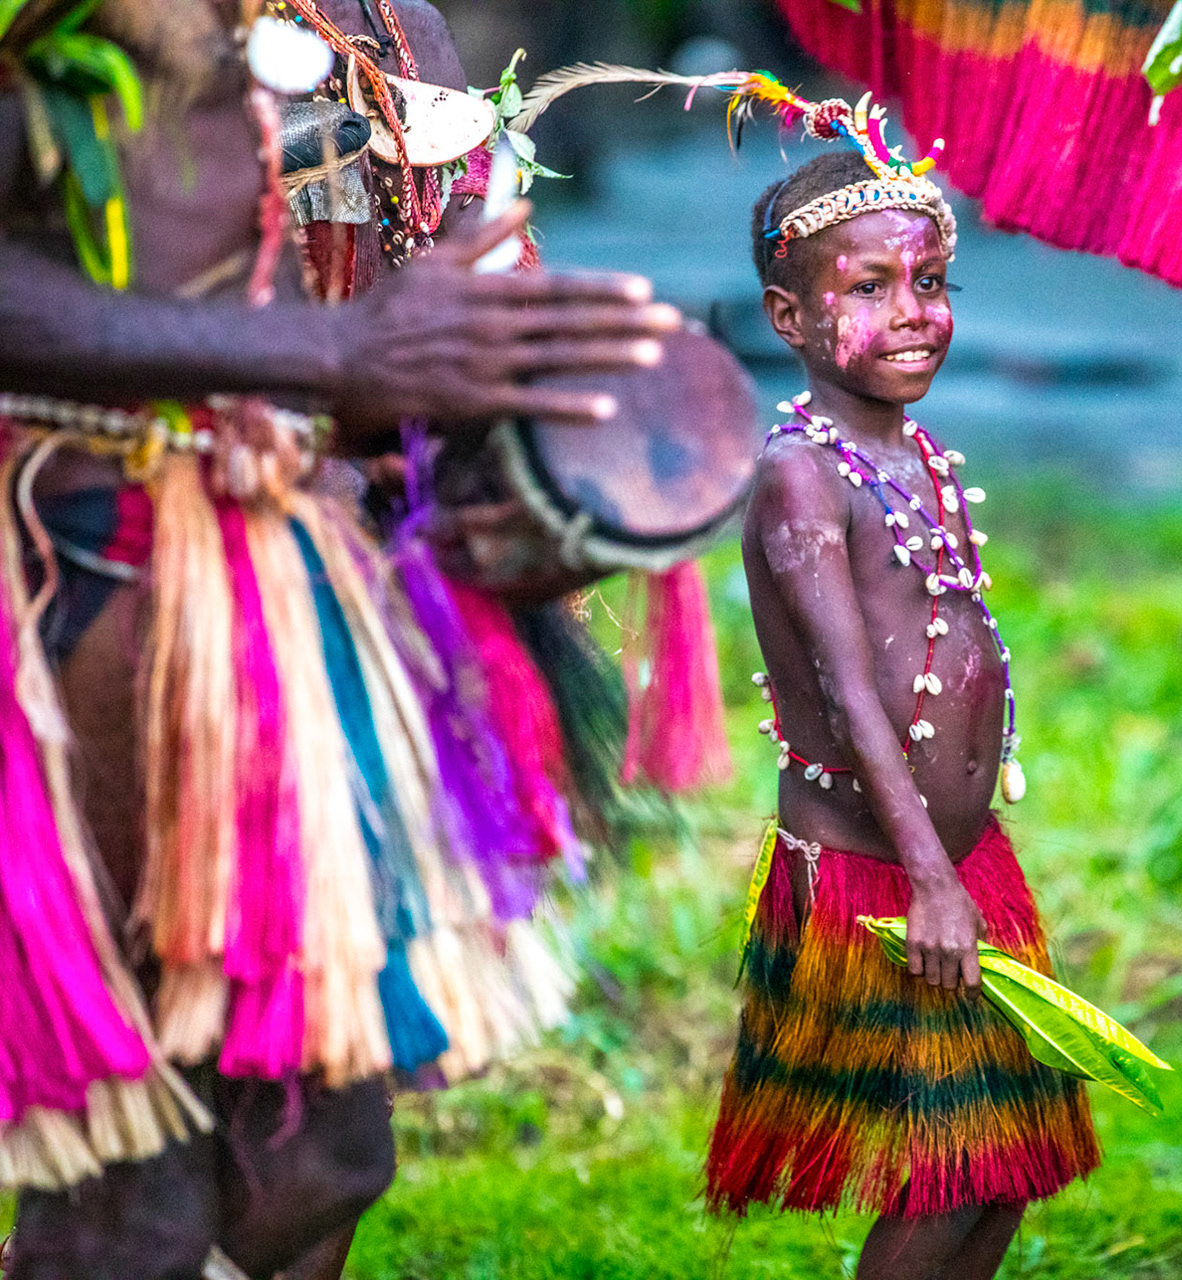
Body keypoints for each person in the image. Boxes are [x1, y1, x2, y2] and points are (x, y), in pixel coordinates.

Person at [0, 3, 677, 1277]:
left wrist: (496, 473)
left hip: (281, 569)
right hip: (83, 585)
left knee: (322, 1158)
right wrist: (329, 350)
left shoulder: (391, 27)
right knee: (137, 1201)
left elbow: (417, 310)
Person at [704, 136, 1100, 1280]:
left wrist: (954, 867)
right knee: (955, 1169)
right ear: (789, 316)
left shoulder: (917, 453)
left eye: (929, 281)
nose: (914, 312)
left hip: (958, 862)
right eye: (870, 288)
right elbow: (847, 691)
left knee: (1008, 1160)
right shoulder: (801, 472)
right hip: (881, 874)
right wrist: (928, 878)